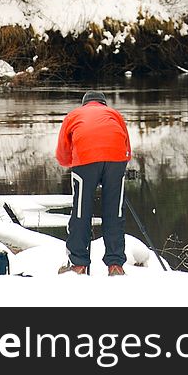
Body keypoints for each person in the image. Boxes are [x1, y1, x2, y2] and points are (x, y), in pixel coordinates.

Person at [55, 90, 132, 276]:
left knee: (82, 212)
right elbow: (127, 149)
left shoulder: (74, 115)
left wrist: (75, 163)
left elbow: (62, 154)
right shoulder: (114, 114)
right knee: (114, 212)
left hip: (85, 160)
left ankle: (78, 264)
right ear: (103, 104)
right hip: (115, 159)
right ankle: (115, 265)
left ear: (84, 104)